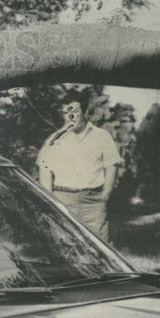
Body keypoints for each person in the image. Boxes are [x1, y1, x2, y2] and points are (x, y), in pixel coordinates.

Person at [37, 90, 122, 243]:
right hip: (63, 200)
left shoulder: (101, 136)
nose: (70, 117)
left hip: (93, 203)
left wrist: (105, 195)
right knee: (64, 245)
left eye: (75, 111)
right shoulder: (54, 139)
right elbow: (45, 170)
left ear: (85, 111)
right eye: (66, 113)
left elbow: (112, 166)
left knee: (100, 247)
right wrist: (50, 201)